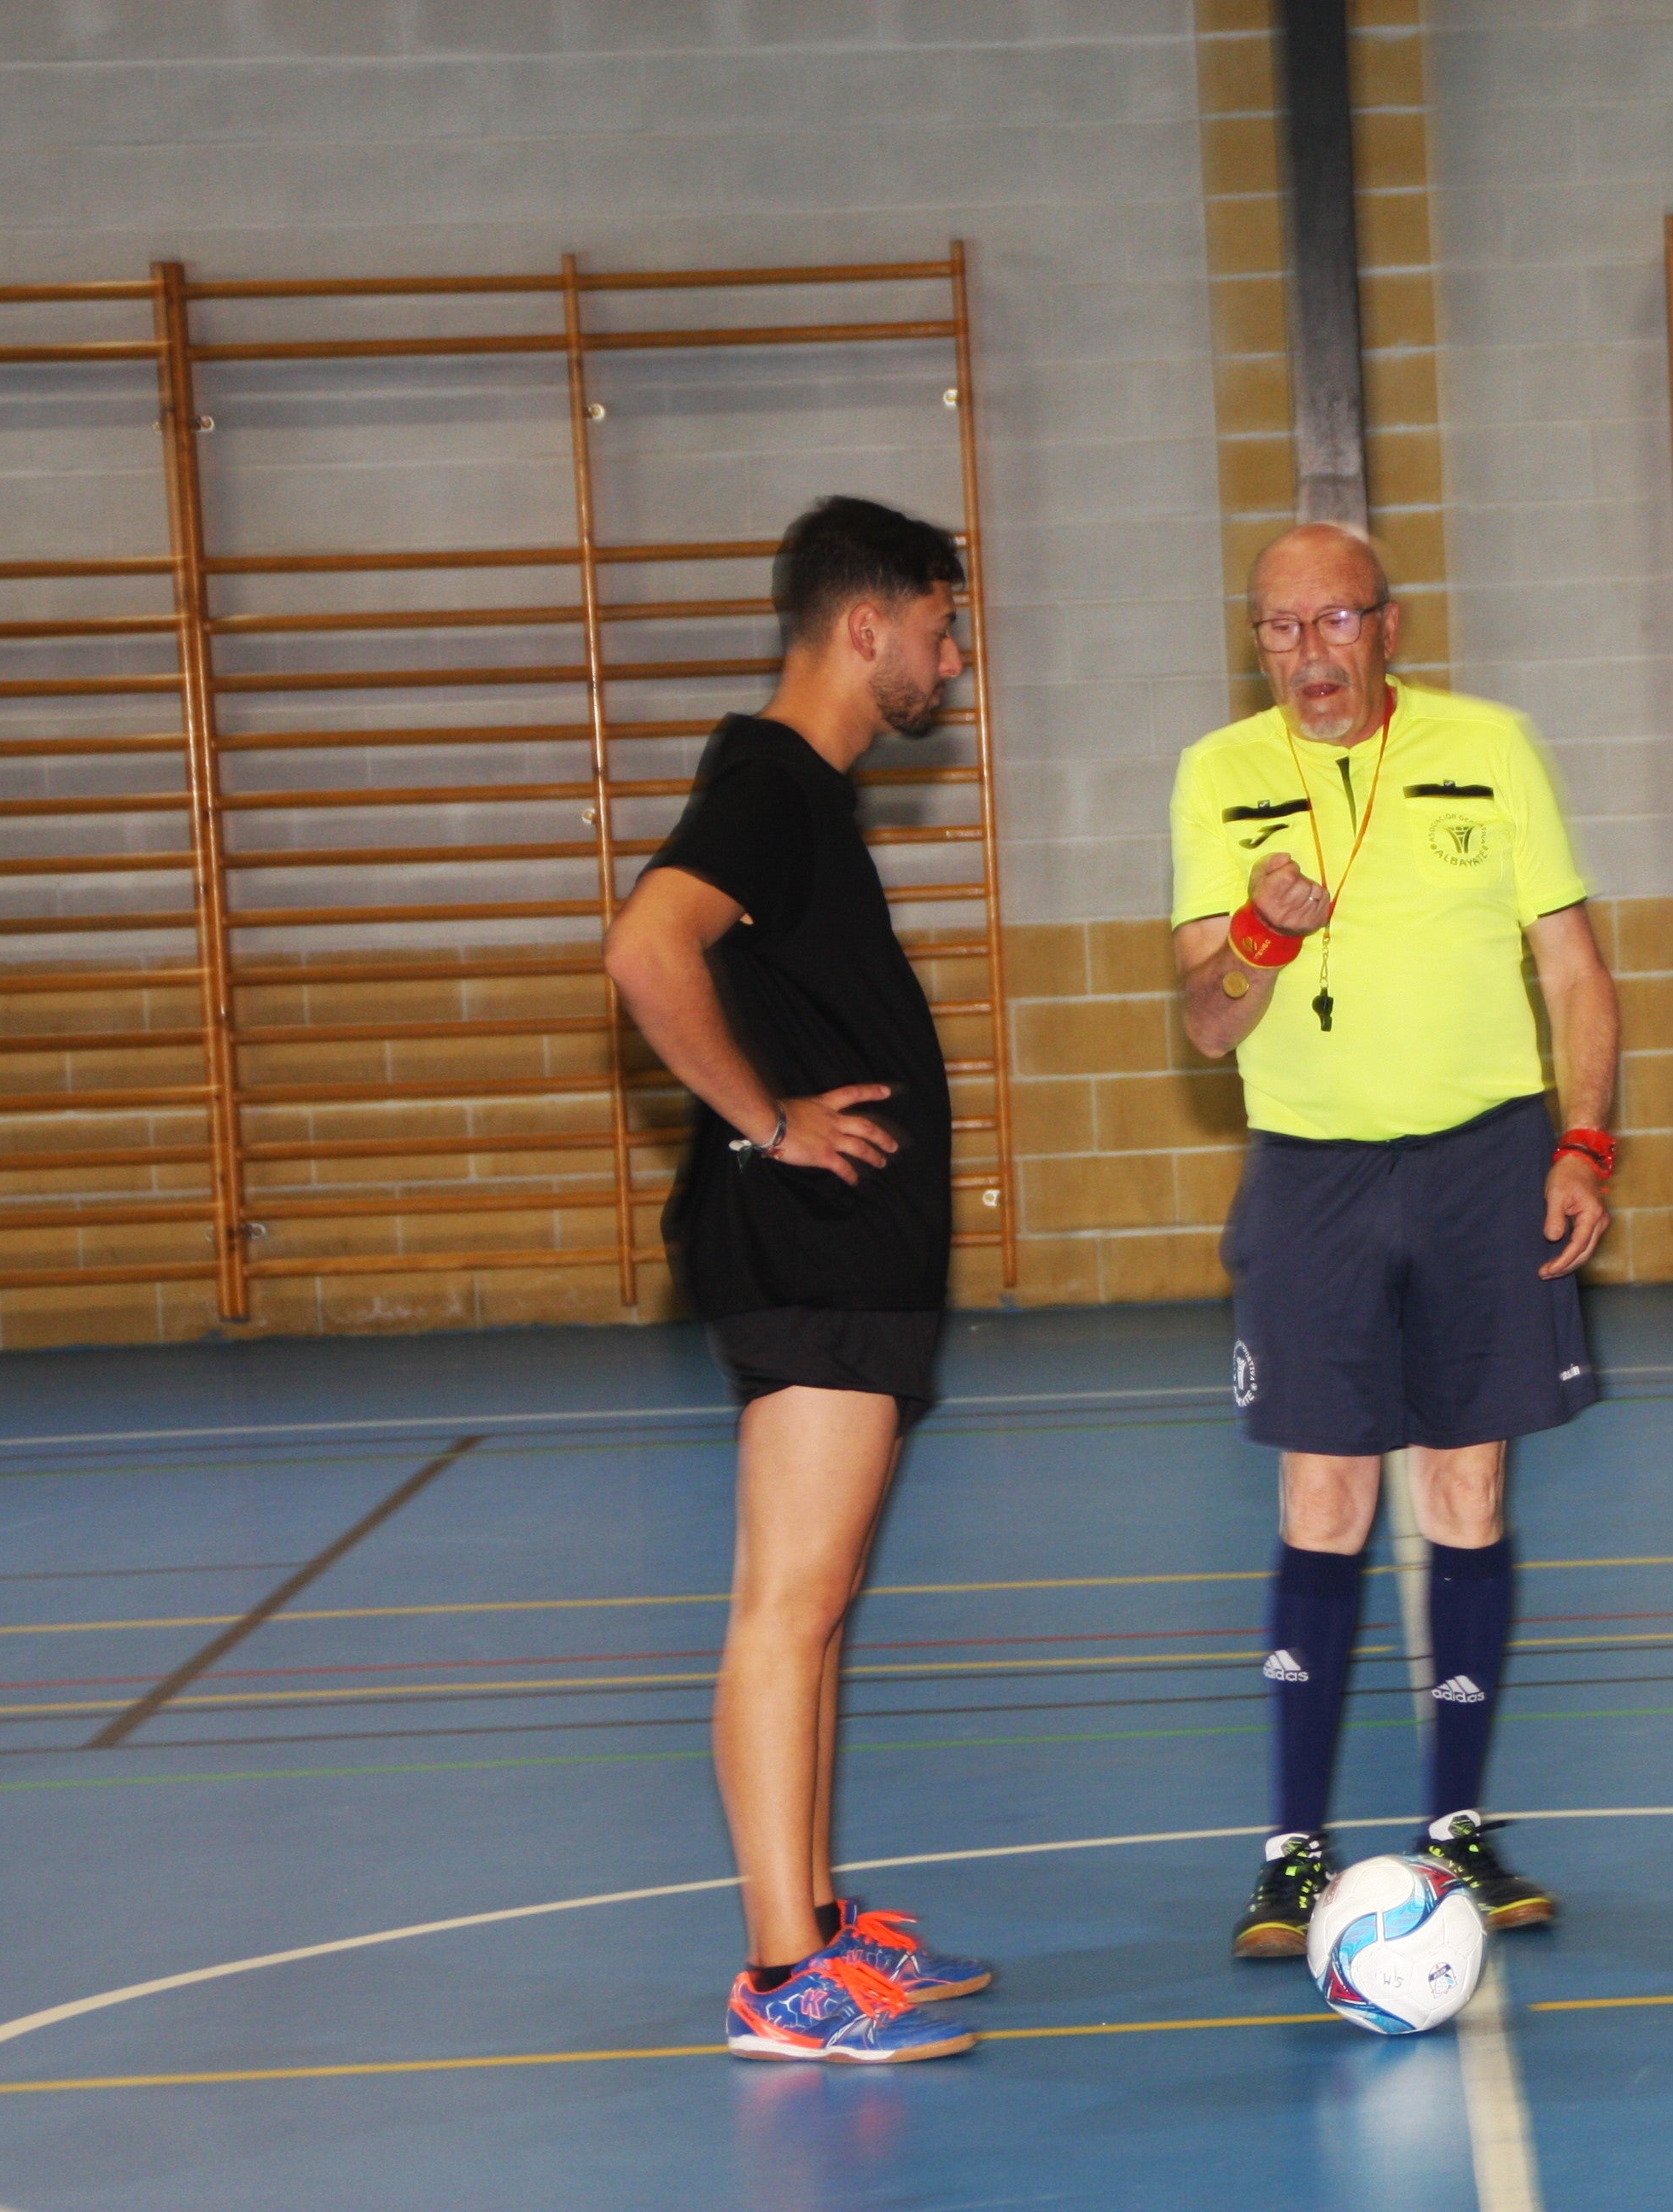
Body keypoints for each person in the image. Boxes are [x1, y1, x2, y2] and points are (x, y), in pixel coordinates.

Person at [1169, 522, 1621, 1959]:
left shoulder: (1495, 747)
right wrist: (1256, 933)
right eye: (1281, 631)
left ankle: (1458, 1834)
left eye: (1335, 623)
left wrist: (1586, 1141)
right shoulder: (1217, 776)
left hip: (1487, 1162)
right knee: (1326, 1503)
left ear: (1391, 625)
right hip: (1311, 1173)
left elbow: (1575, 972)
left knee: (1468, 1492)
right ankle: (1292, 1851)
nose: (1310, 656)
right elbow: (1205, 1020)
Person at [604, 495, 991, 2063]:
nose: (952, 664)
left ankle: (822, 1925)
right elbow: (646, 950)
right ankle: (783, 1977)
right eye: (943, 629)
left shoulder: (804, 795)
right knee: (787, 1605)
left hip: (851, 1264)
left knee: (819, 1611)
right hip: (811, 1256)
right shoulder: (771, 780)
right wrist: (764, 1123)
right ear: (865, 625)